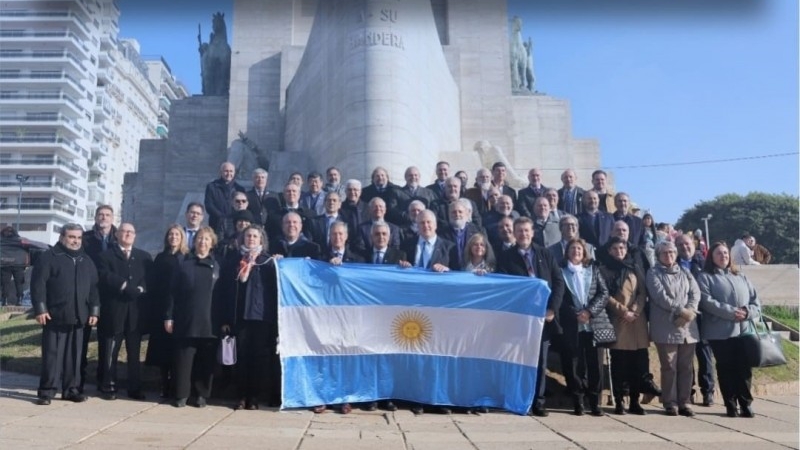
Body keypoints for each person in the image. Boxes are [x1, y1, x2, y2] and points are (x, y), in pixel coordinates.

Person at [496, 217, 565, 417]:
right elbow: (504, 287)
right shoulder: (506, 257)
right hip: (519, 318)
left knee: (540, 360)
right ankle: (517, 399)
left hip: (543, 317)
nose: (523, 234)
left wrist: (552, 309)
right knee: (517, 359)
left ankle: (538, 401)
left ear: (532, 232)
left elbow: (558, 282)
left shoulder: (546, 254)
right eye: (519, 231)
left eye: (526, 230)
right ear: (514, 234)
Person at [31, 223, 99, 405]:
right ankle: (47, 392)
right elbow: (38, 285)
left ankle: (71, 390)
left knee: (75, 357)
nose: (75, 241)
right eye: (71, 237)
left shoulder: (87, 260)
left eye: (78, 237)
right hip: (54, 315)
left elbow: (94, 289)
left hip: (79, 316)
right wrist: (41, 309)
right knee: (52, 356)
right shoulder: (49, 257)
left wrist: (94, 310)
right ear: (62, 237)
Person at [697, 241, 761, 418]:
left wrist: (747, 312)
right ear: (711, 257)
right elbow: (707, 302)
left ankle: (746, 404)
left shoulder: (740, 276)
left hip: (743, 331)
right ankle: (730, 404)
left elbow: (756, 301)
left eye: (725, 253)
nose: (723, 256)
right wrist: (733, 313)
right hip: (720, 333)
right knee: (726, 369)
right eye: (719, 253)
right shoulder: (705, 277)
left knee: (744, 369)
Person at [219, 225, 280, 410]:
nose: (251, 239)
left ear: (261, 240)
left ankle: (253, 397)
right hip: (240, 316)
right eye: (248, 236)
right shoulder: (234, 260)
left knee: (258, 358)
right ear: (242, 239)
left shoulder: (268, 261)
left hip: (261, 317)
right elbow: (227, 290)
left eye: (255, 236)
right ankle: (241, 396)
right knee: (242, 357)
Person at [95, 223, 153, 400]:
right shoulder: (105, 256)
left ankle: (134, 387)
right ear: (117, 234)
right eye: (124, 231)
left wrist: (141, 289)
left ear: (135, 236)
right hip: (115, 311)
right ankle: (109, 386)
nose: (127, 234)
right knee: (110, 351)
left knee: (134, 353)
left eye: (131, 232)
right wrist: (124, 285)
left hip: (135, 313)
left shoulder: (144, 257)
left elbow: (149, 278)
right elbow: (103, 276)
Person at [165, 226, 221, 408]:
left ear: (211, 243)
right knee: (183, 360)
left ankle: (201, 395)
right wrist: (169, 316)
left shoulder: (217, 265)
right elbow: (172, 291)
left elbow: (223, 295)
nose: (202, 242)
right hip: (185, 318)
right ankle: (181, 394)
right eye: (199, 239)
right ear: (194, 241)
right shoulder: (183, 262)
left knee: (205, 361)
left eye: (206, 239)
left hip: (209, 320)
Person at [646, 241, 701, 417]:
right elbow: (660, 296)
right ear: (658, 255)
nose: (668, 255)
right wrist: (681, 311)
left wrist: (690, 310)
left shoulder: (685, 272)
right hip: (666, 326)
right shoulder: (653, 272)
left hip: (687, 327)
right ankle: (670, 402)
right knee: (669, 366)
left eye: (671, 252)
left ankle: (685, 401)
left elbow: (695, 292)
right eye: (664, 253)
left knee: (686, 366)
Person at [558, 238, 612, 416]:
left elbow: (603, 293)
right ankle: (578, 400)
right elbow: (559, 297)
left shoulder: (593, 270)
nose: (576, 252)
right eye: (572, 248)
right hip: (571, 325)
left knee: (594, 364)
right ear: (567, 252)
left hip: (593, 325)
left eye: (579, 249)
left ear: (584, 252)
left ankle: (595, 401)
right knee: (573, 364)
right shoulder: (561, 271)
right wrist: (575, 313)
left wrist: (589, 311)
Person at [599, 237, 650, 415]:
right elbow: (604, 295)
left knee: (638, 363)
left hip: (637, 321)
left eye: (622, 247)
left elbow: (643, 292)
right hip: (618, 320)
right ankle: (620, 400)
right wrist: (623, 311)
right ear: (609, 251)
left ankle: (635, 401)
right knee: (619, 364)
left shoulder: (634, 267)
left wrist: (635, 310)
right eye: (615, 248)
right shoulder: (604, 270)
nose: (619, 251)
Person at [145, 225, 188, 399]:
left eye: (177, 234)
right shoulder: (161, 258)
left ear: (182, 237)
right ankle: (164, 383)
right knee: (162, 349)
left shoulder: (185, 257)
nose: (173, 237)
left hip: (179, 307)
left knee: (176, 349)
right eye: (170, 234)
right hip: (161, 306)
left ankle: (176, 384)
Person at [81, 205, 118, 394]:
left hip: (110, 296)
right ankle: (78, 378)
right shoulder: (85, 239)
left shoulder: (119, 237)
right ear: (95, 218)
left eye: (107, 215)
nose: (104, 218)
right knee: (82, 338)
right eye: (101, 215)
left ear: (113, 218)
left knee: (107, 339)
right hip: (87, 293)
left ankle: (103, 379)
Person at [675, 233, 715, 407]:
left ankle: (708, 392)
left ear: (694, 244)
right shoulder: (672, 263)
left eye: (687, 244)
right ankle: (687, 392)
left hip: (702, 316)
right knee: (685, 357)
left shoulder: (704, 264)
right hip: (682, 316)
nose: (685, 247)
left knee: (705, 355)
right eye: (680, 244)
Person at [437, 199, 483, 269]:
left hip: (472, 272)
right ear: (449, 215)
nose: (457, 214)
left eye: (460, 212)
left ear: (466, 214)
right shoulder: (441, 233)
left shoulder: (477, 231)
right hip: (448, 272)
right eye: (453, 212)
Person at [204, 161, 245, 238]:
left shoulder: (240, 188)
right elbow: (209, 205)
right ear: (221, 172)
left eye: (231, 171)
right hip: (216, 223)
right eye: (226, 171)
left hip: (234, 224)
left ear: (234, 172)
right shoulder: (212, 187)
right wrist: (221, 217)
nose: (228, 174)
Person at [0, 226, 30, 306]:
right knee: (19, 283)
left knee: (5, 283)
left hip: (5, 263)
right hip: (18, 264)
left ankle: (4, 300)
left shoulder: (1, 241)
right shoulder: (21, 241)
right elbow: (27, 251)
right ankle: (19, 300)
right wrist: (26, 264)